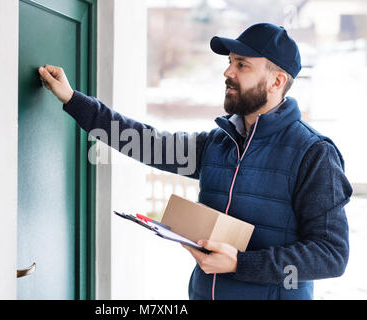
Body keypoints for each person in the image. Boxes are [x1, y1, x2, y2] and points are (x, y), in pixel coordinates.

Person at [38, 23, 352, 300]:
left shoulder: (314, 153)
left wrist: (241, 264)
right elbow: (146, 143)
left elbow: (331, 255)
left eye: (242, 65)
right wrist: (72, 99)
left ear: (276, 81)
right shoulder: (219, 143)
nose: (228, 72)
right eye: (230, 63)